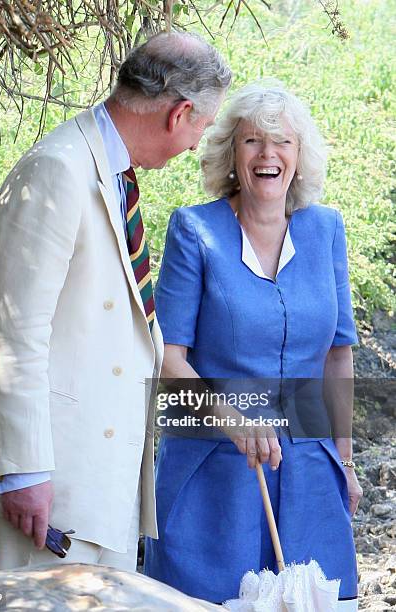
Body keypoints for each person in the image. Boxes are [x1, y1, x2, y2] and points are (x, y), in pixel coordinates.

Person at [0, 31, 231, 572]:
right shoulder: (57, 169)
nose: (197, 144)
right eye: (203, 127)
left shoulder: (109, 173)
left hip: (100, 486)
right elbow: (13, 332)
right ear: (180, 113)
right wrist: (23, 470)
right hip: (47, 493)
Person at [144, 81, 362, 609]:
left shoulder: (327, 229)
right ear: (230, 154)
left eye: (282, 142)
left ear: (299, 155)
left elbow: (338, 354)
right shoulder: (193, 229)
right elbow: (169, 359)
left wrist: (346, 461)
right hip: (213, 471)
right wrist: (235, 418)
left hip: (311, 468)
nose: (268, 155)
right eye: (252, 142)